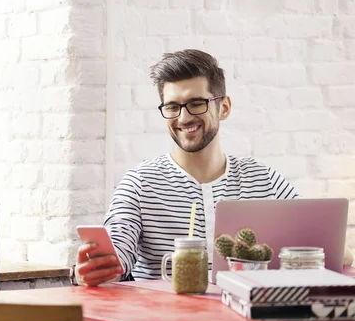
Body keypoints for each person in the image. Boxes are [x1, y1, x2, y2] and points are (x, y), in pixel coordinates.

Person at [73, 49, 299, 287]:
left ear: (224, 107)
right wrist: (92, 270)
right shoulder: (139, 183)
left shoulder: (265, 180)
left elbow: (325, 247)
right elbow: (117, 255)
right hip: (167, 319)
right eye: (172, 107)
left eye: (196, 103)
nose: (183, 118)